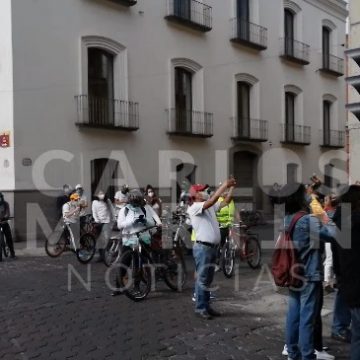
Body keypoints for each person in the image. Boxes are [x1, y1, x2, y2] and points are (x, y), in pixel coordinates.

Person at [279, 183, 333, 360]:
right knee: (307, 317)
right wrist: (316, 205)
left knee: (293, 314)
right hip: (309, 273)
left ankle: (292, 352)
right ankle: (307, 354)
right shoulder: (308, 220)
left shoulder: (287, 218)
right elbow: (332, 234)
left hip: (293, 272)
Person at [187, 177, 236, 320]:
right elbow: (213, 200)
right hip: (203, 248)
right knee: (202, 279)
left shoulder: (207, 207)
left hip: (211, 248)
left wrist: (231, 188)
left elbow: (225, 202)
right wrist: (225, 185)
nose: (205, 191)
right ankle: (200, 308)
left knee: (207, 280)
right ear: (195, 195)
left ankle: (206, 306)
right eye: (202, 190)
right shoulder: (195, 207)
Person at [112, 189, 162, 296]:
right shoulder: (124, 210)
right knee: (124, 262)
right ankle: (118, 286)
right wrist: (132, 222)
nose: (136, 205)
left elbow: (152, 222)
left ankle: (137, 286)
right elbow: (120, 225)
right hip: (129, 240)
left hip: (143, 238)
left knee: (140, 263)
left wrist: (145, 221)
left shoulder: (144, 209)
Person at [332, 185, 360, 359]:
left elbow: (335, 253)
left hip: (347, 280)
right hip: (356, 281)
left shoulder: (339, 221)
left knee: (357, 335)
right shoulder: (356, 223)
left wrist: (338, 276)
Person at [92, 190, 115, 262]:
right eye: (100, 194)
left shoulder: (107, 201)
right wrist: (96, 220)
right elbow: (94, 212)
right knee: (100, 240)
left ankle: (108, 254)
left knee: (106, 239)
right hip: (98, 223)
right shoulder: (94, 202)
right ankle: (101, 256)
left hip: (107, 222)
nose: (101, 195)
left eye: (102, 193)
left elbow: (112, 209)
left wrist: (114, 218)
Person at [215, 188, 235, 266]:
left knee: (222, 243)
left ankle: (222, 258)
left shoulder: (230, 201)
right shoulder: (218, 200)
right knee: (218, 244)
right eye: (223, 192)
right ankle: (218, 259)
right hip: (218, 225)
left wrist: (230, 223)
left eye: (226, 192)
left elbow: (231, 214)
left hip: (226, 225)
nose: (224, 193)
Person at [0, 192, 16, 260]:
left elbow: (8, 212)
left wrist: (6, 216)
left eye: (0, 197)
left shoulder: (5, 204)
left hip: (4, 223)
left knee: (9, 237)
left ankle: (12, 253)